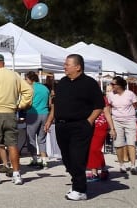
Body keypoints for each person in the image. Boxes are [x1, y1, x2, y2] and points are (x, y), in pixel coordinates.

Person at [43, 54, 104, 201]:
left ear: (78, 67)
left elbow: (99, 106)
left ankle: (80, 190)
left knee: (77, 158)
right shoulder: (62, 82)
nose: (64, 67)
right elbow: (56, 104)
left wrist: (88, 121)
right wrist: (49, 119)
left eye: (67, 64)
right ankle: (77, 181)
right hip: (61, 125)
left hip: (80, 126)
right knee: (67, 159)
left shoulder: (90, 83)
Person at [0, 53, 32, 186]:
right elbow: (28, 91)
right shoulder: (14, 75)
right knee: (12, 144)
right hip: (10, 113)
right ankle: (17, 174)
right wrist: (21, 105)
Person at [107, 75, 137, 174]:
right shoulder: (111, 95)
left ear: (119, 85)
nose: (111, 85)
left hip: (130, 120)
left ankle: (133, 165)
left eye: (113, 84)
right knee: (118, 144)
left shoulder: (130, 94)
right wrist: (111, 126)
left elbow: (135, 105)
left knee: (131, 143)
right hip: (116, 121)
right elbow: (109, 108)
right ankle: (122, 165)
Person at [23, 71, 50, 168]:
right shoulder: (45, 88)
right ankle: (44, 160)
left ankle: (34, 159)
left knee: (31, 138)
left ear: (30, 79)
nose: (25, 81)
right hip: (45, 113)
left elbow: (27, 103)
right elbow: (49, 103)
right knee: (42, 139)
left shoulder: (30, 88)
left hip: (33, 114)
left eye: (26, 79)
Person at [86, 95, 113, 182]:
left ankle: (94, 173)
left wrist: (112, 128)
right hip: (88, 126)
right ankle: (104, 169)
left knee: (93, 149)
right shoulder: (84, 97)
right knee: (94, 149)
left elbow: (107, 114)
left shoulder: (103, 99)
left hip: (100, 126)